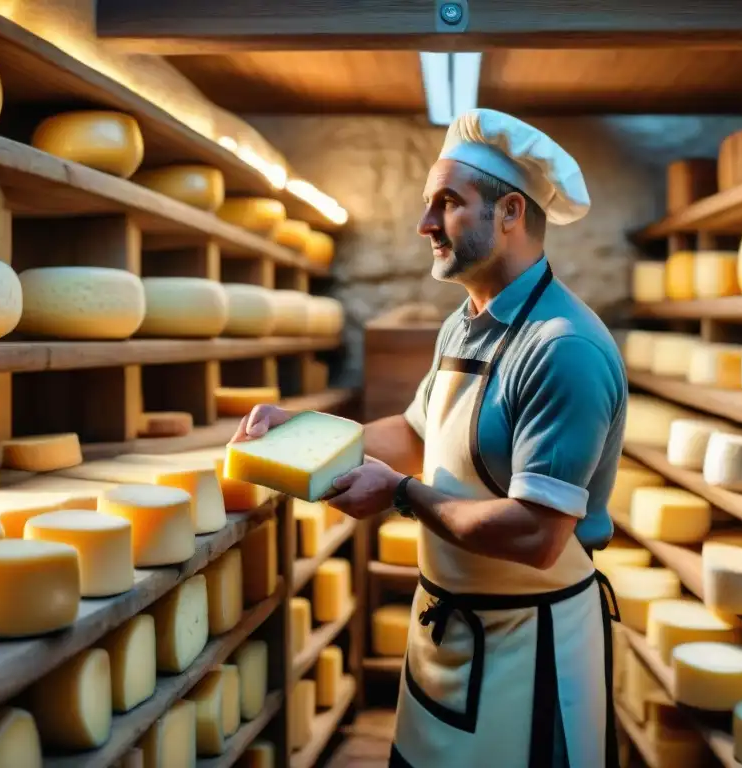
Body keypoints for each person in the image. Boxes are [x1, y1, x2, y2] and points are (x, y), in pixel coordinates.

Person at [231, 108, 627, 768]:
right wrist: (302, 434)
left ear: (509, 213)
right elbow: (417, 434)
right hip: (449, 635)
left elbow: (537, 533)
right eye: (427, 204)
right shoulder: (464, 326)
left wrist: (403, 498)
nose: (424, 226)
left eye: (447, 203)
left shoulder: (564, 349)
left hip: (529, 651)